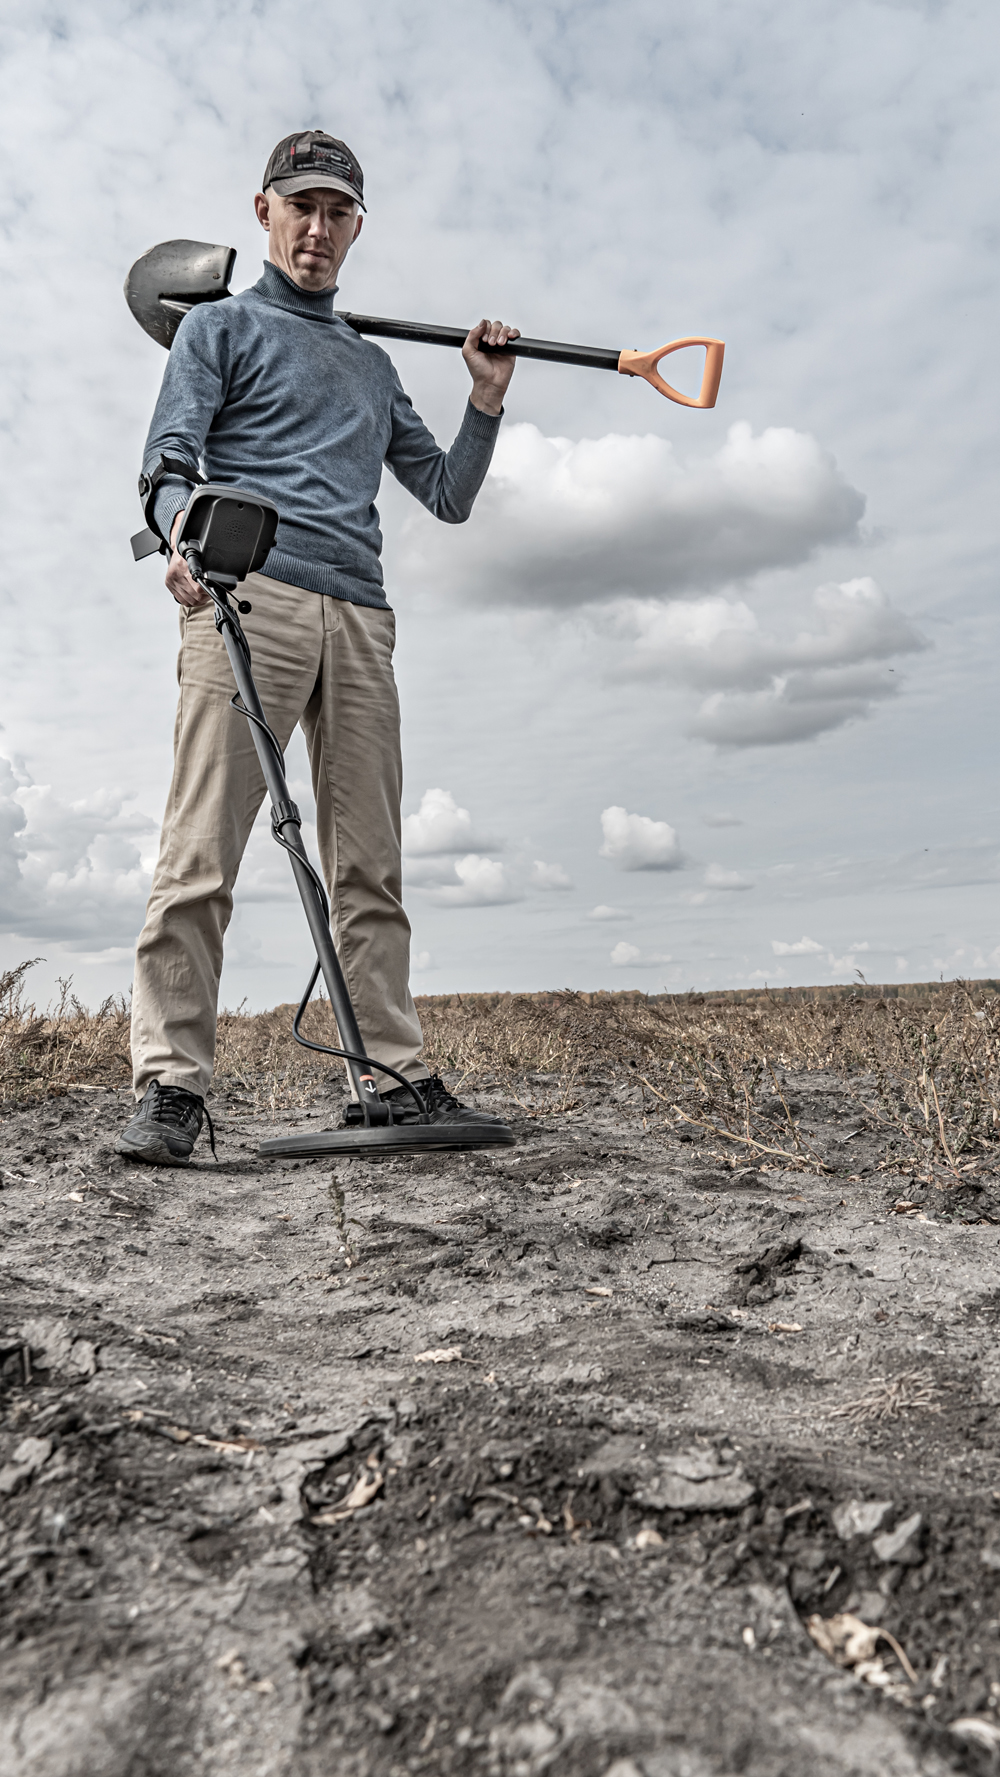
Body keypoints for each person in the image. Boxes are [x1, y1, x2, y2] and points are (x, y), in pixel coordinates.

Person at [118, 129, 519, 1166]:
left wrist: (483, 399)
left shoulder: (372, 364)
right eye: (301, 205)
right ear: (264, 213)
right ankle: (169, 1086)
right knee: (200, 855)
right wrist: (184, 539)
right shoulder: (218, 331)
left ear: (355, 227)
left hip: (361, 618)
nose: (318, 227)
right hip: (246, 594)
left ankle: (386, 1074)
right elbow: (165, 466)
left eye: (338, 211)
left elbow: (447, 494)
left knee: (368, 865)